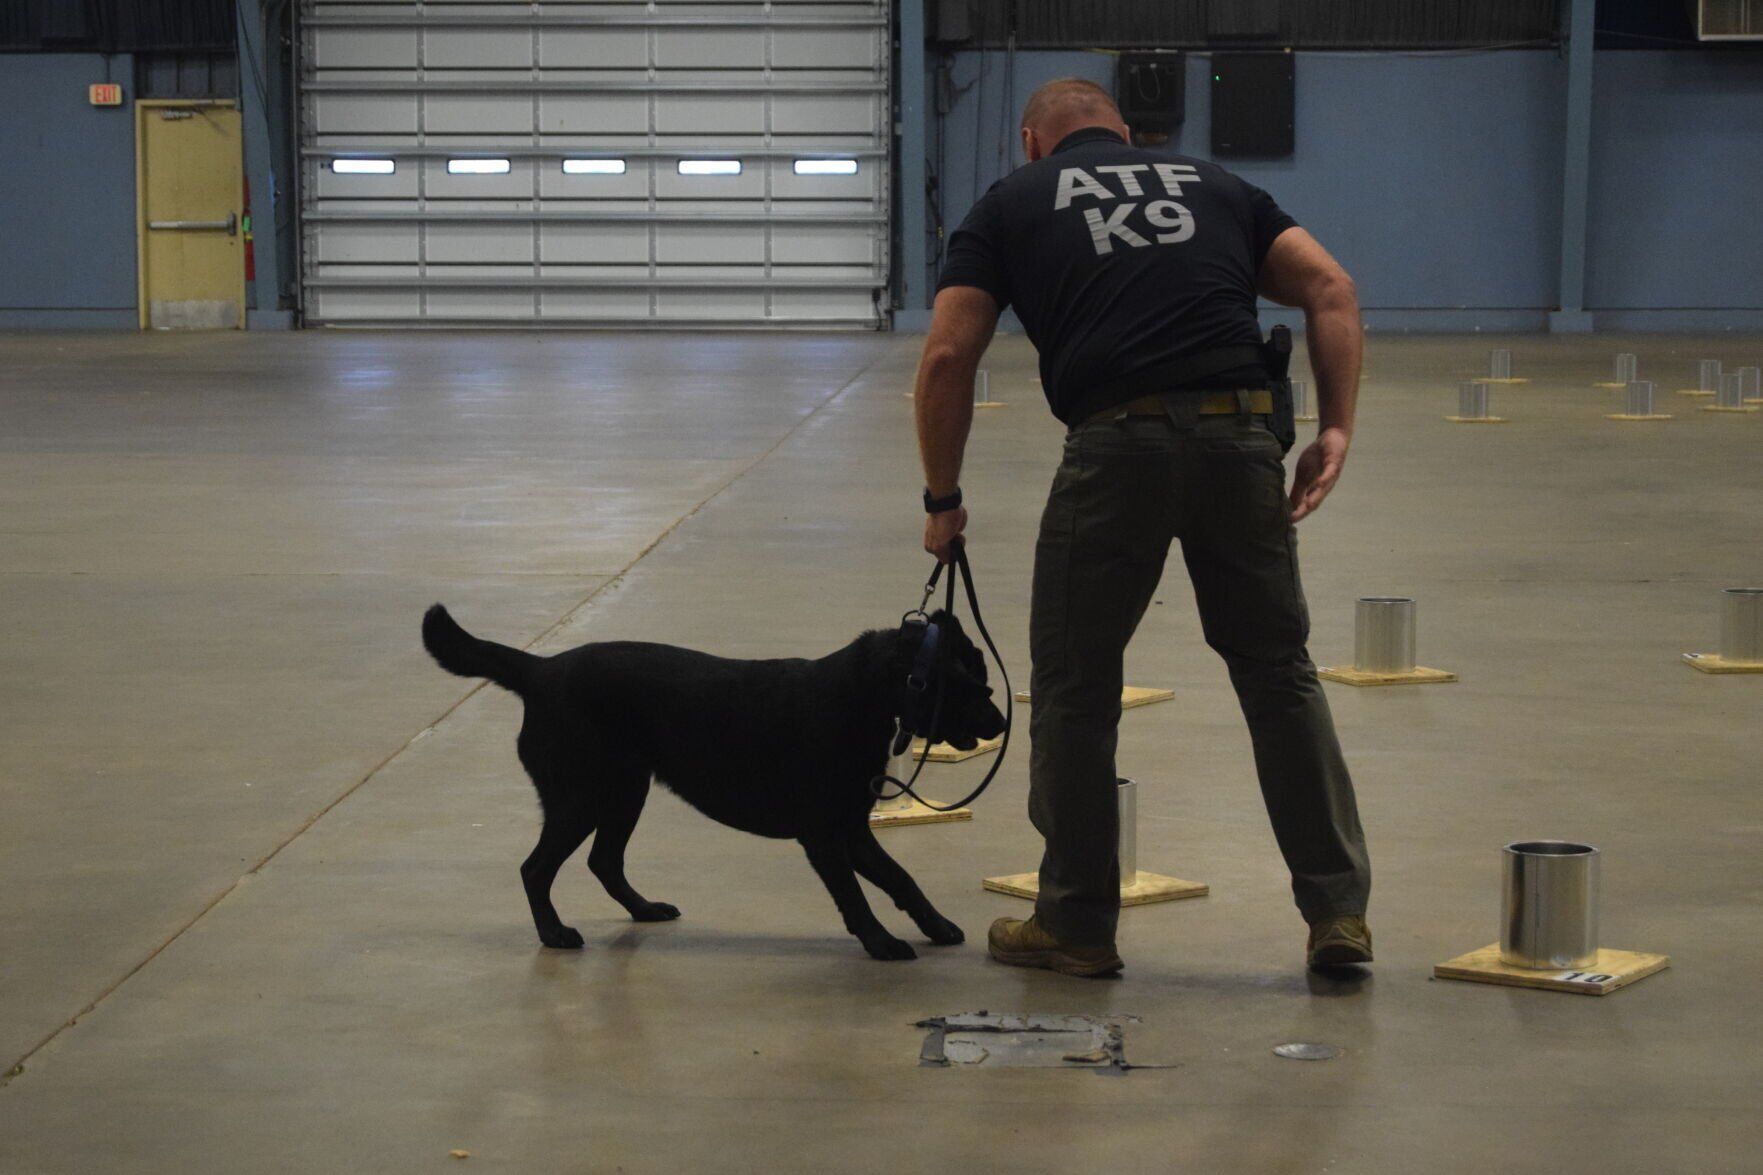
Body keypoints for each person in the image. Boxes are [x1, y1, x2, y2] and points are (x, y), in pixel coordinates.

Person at [911, 78, 1371, 977]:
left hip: (1113, 445)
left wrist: (941, 499)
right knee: (1278, 676)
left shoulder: (1009, 202)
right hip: (1242, 439)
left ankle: (1076, 923)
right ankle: (1337, 916)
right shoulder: (1217, 185)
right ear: (1128, 136)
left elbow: (945, 354)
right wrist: (1336, 427)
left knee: (1077, 685)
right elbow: (1330, 287)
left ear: (1032, 142)